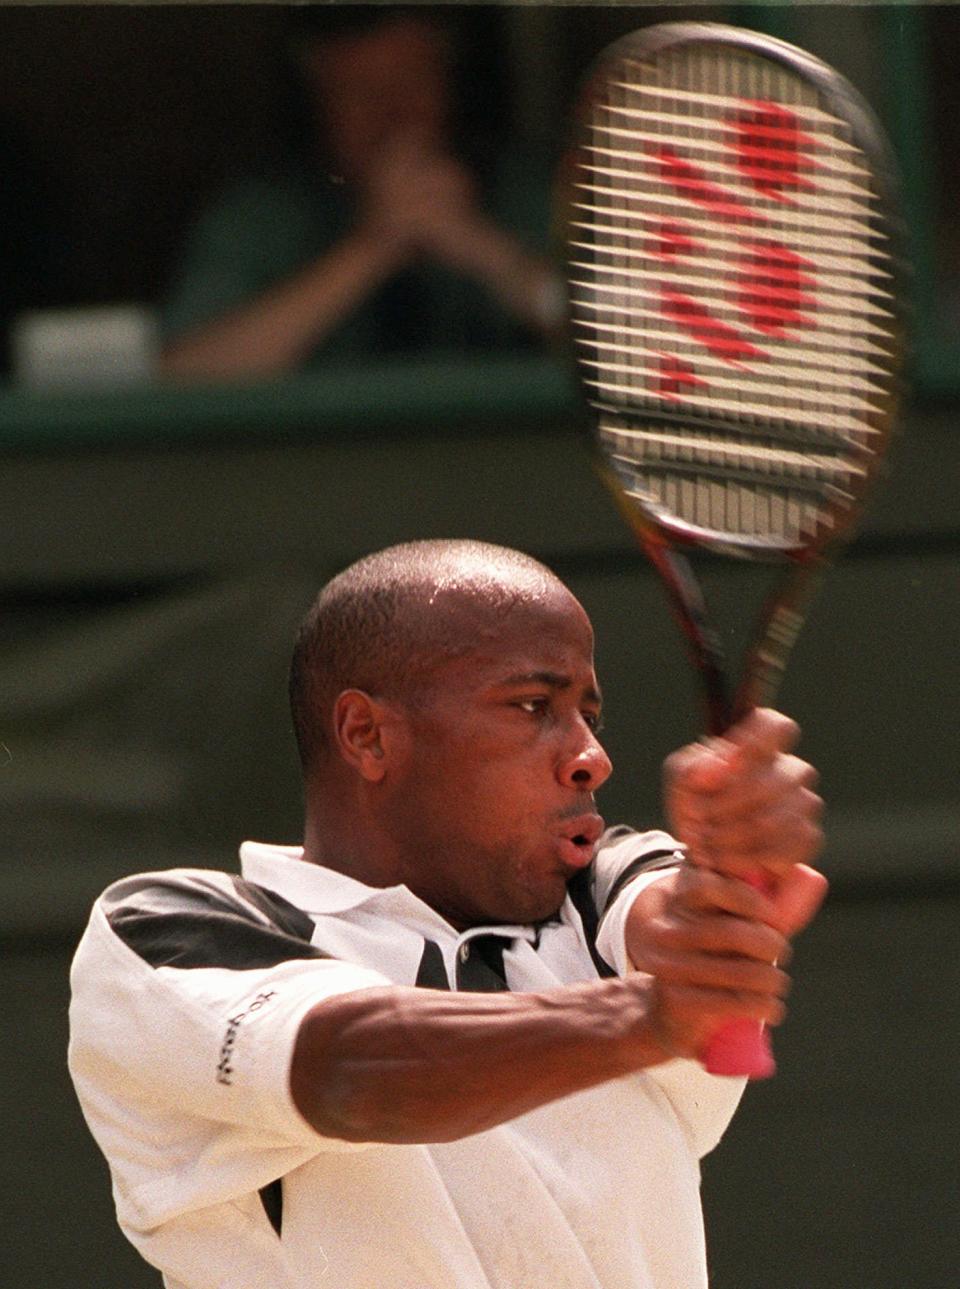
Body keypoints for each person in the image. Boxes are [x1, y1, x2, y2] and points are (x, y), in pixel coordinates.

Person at [68, 539, 826, 1288]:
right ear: (366, 734)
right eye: (533, 706)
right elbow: (350, 1072)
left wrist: (732, 874)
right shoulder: (170, 931)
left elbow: (668, 921)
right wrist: (652, 1017)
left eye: (587, 713)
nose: (591, 756)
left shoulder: (599, 886)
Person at [159, 11, 563, 382]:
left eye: (411, 83)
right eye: (361, 93)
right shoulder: (261, 215)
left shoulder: (520, 192)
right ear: (319, 105)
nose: (392, 114)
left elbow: (614, 342)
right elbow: (187, 376)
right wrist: (375, 246)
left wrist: (484, 250)